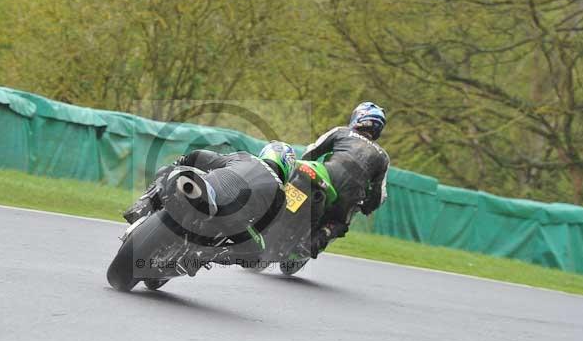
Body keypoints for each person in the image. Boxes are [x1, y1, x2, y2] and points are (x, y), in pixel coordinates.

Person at [124, 141, 296, 250]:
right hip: (231, 220)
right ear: (288, 167)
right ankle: (206, 255)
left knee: (168, 170)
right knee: (257, 250)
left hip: (206, 190)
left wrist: (180, 162)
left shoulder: (245, 157)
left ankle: (142, 205)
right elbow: (265, 229)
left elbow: (200, 156)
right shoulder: (281, 195)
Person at [300, 102, 390, 257]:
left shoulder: (341, 132)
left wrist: (306, 166)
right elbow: (379, 195)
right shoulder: (382, 156)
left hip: (324, 175)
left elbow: (311, 151)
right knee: (339, 224)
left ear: (359, 117)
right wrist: (367, 207)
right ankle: (317, 239)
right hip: (349, 197)